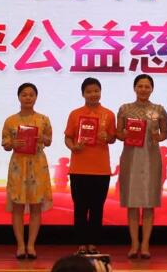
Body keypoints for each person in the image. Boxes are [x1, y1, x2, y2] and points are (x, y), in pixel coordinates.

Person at [116, 74, 167, 259]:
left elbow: (165, 134)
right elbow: (118, 134)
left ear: (152, 89)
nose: (143, 89)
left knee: (148, 203)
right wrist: (125, 133)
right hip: (130, 158)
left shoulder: (159, 109)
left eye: (147, 86)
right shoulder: (124, 109)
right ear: (134, 88)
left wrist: (157, 136)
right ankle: (134, 244)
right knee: (131, 203)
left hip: (151, 158)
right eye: (140, 86)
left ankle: (145, 244)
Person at [64, 78, 116, 256]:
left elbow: (113, 138)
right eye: (89, 91)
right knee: (80, 208)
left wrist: (106, 137)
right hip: (79, 168)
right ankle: (80, 243)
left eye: (96, 91)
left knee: (97, 208)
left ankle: (93, 243)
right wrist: (73, 146)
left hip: (101, 169)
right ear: (83, 94)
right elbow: (68, 137)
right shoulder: (75, 114)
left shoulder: (108, 114)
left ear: (100, 92)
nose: (93, 94)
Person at [1, 83, 53, 259]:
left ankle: (31, 245)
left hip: (38, 165)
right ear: (19, 97)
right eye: (24, 94)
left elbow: (49, 141)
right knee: (18, 206)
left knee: (36, 206)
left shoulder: (43, 119)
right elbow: (5, 144)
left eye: (31, 94)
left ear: (36, 97)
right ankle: (20, 245)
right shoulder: (11, 120)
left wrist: (42, 137)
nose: (28, 98)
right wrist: (12, 143)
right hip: (18, 166)